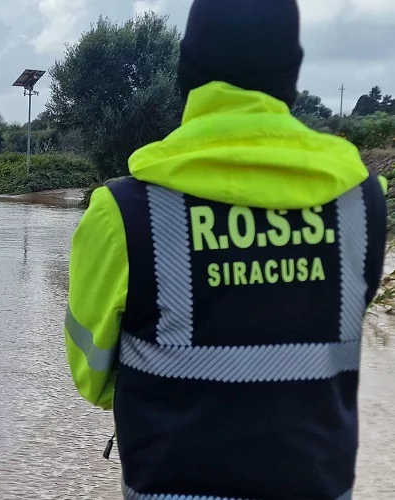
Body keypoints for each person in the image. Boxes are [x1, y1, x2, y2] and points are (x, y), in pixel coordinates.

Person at [63, 0, 388, 498]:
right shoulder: (362, 201)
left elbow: (93, 376)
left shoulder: (122, 212)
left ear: (187, 73)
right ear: (291, 74)